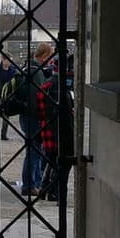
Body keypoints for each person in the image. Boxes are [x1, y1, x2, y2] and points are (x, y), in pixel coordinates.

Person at [37, 53, 75, 203]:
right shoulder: (60, 88)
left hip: (48, 129)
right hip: (61, 130)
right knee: (63, 162)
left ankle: (45, 188)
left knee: (51, 159)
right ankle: (56, 192)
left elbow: (41, 113)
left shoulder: (45, 86)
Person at [19, 42, 53, 196]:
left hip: (26, 116)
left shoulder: (28, 68)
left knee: (34, 151)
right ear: (44, 55)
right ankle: (30, 185)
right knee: (34, 152)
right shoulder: (36, 72)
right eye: (49, 56)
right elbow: (38, 97)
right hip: (34, 117)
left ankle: (35, 183)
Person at [0, 52, 16, 140]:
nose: (9, 62)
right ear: (3, 60)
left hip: (9, 95)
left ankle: (3, 134)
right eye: (8, 60)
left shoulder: (12, 69)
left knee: (6, 116)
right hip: (0, 95)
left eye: (10, 61)